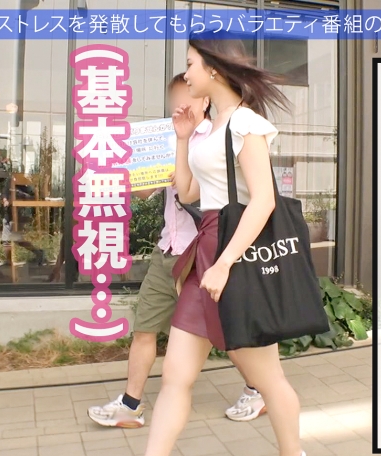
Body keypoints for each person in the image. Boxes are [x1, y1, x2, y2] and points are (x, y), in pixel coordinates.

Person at [139, 37, 315, 456]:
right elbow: (187, 193)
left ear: (214, 69)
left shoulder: (245, 124)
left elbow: (264, 200)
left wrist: (224, 264)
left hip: (235, 256)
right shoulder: (213, 126)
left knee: (267, 379)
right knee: (175, 377)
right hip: (207, 254)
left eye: (191, 65)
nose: (186, 75)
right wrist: (183, 139)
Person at [87, 73, 267, 429]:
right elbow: (144, 193)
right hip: (168, 248)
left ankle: (258, 389)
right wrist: (129, 173)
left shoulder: (218, 138)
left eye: (190, 96)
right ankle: (131, 405)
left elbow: (235, 193)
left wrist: (186, 175)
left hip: (204, 254)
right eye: (176, 100)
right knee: (145, 327)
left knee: (222, 329)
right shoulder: (166, 139)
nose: (181, 105)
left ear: (205, 99)